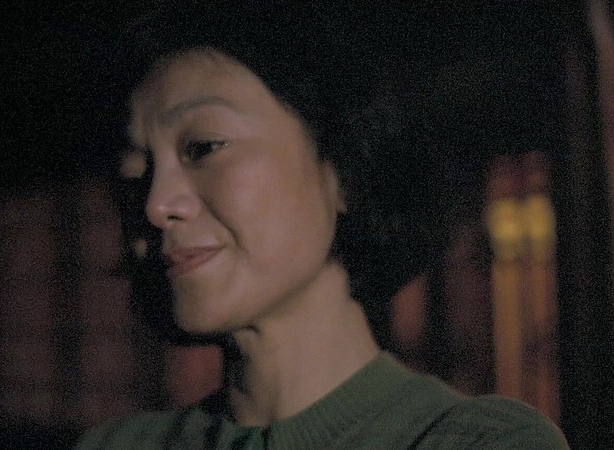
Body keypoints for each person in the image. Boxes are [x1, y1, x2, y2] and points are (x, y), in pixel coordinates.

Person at [75, 3, 569, 449]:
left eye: (203, 148)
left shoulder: (475, 440)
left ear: (341, 170)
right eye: (135, 175)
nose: (156, 205)